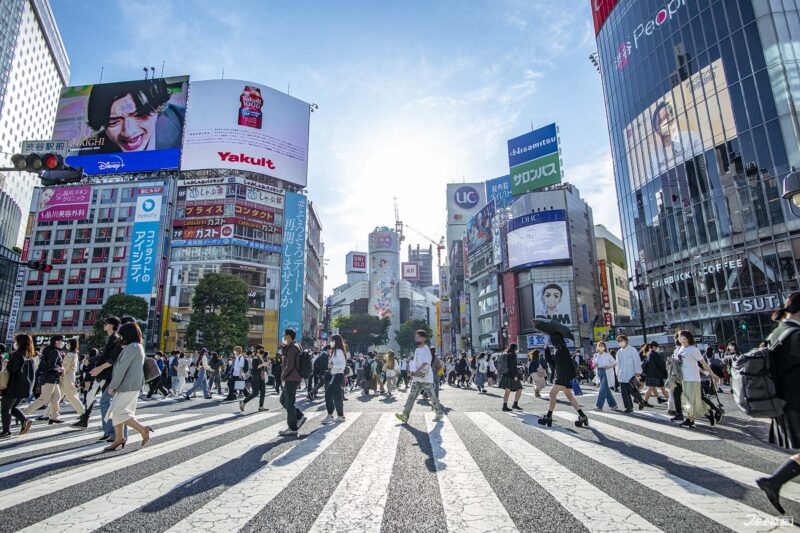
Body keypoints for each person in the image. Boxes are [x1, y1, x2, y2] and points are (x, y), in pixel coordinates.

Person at [756, 292, 800, 514]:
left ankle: (774, 482)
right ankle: (774, 481)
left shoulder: (777, 332)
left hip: (784, 402)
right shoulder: (795, 333)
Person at [81, 77, 185, 154]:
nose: (128, 132)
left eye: (139, 115)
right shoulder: (89, 152)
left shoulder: (185, 124)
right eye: (114, 122)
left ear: (158, 108)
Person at [104, 322, 153, 451]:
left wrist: (113, 386)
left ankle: (143, 429)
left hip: (127, 385)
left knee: (121, 412)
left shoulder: (132, 347)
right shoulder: (137, 346)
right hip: (131, 385)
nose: (120, 337)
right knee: (118, 412)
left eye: (122, 334)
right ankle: (119, 438)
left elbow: (122, 368)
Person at [73, 317, 122, 436]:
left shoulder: (114, 338)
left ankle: (111, 429)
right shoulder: (112, 338)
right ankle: (86, 420)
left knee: (106, 401)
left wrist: (92, 362)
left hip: (107, 374)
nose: (104, 325)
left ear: (111, 325)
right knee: (92, 396)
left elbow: (109, 359)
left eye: (105, 323)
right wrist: (91, 361)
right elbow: (105, 356)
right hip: (103, 373)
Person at [537, 332, 588, 428]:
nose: (552, 341)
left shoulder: (562, 349)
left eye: (553, 340)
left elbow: (564, 363)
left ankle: (548, 416)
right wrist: (546, 350)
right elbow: (553, 362)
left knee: (552, 394)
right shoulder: (559, 349)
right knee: (570, 397)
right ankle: (582, 416)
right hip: (563, 376)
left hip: (562, 376)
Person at [672, 331, 720, 428]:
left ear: (687, 338)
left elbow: (703, 363)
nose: (679, 337)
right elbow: (681, 364)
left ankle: (690, 420)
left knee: (691, 400)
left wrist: (712, 374)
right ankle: (710, 412)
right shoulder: (680, 349)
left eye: (681, 336)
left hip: (693, 378)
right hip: (684, 378)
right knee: (692, 400)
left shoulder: (693, 349)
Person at [396, 330, 444, 424]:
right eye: (416, 337)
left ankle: (439, 413)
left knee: (432, 396)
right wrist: (413, 371)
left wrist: (417, 371)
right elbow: (415, 362)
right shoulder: (417, 350)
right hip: (417, 377)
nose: (416, 338)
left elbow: (426, 363)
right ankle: (405, 415)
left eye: (418, 337)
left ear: (424, 338)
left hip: (425, 377)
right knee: (412, 396)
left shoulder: (426, 349)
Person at [23, 335, 65, 424]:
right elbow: (51, 366)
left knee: (56, 397)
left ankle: (54, 416)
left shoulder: (49, 350)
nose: (63, 343)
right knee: (44, 399)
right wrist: (60, 368)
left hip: (51, 378)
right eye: (62, 341)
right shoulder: (55, 351)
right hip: (50, 378)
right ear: (57, 342)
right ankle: (23, 413)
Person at [0, 334, 35, 438]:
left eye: (16, 341)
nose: (15, 343)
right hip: (25, 387)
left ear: (19, 343)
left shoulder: (17, 354)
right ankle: (24, 420)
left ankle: (6, 431)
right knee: (13, 407)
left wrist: (5, 365)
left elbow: (12, 369)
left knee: (5, 409)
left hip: (14, 386)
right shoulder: (30, 357)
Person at [278, 329, 306, 436]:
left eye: (284, 335)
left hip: (291, 378)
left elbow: (289, 365)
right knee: (283, 400)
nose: (283, 337)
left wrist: (282, 375)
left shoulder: (292, 348)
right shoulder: (295, 346)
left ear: (289, 336)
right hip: (293, 377)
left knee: (289, 403)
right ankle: (298, 415)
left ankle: (293, 428)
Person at [322, 335, 347, 425]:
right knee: (337, 395)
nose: (330, 342)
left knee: (328, 394)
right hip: (335, 374)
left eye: (332, 340)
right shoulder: (334, 351)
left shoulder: (338, 351)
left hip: (338, 375)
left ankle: (330, 415)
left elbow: (342, 365)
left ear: (336, 341)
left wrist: (332, 366)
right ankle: (340, 416)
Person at [616, 335, 645, 413]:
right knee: (624, 393)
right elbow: (618, 364)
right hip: (622, 375)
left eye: (621, 340)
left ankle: (641, 401)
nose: (620, 342)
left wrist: (638, 372)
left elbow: (637, 361)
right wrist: (617, 373)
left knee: (633, 390)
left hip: (631, 374)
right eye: (618, 341)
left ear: (626, 341)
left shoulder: (632, 350)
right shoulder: (619, 352)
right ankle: (628, 407)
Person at [60, 339, 85, 418]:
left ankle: (83, 412)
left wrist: (61, 372)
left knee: (71, 395)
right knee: (59, 395)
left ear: (71, 344)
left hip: (67, 375)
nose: (66, 344)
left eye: (68, 343)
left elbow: (66, 366)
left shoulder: (70, 354)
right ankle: (47, 413)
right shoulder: (74, 353)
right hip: (69, 375)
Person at [592, 341, 619, 412]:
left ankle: (599, 406)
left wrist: (609, 366)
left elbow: (615, 363)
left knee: (602, 389)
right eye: (600, 345)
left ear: (604, 347)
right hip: (599, 372)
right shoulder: (596, 355)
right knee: (606, 390)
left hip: (606, 372)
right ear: (597, 347)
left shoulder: (607, 355)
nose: (601, 347)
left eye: (602, 346)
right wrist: (595, 365)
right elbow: (594, 365)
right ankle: (613, 405)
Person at [240, 348, 268, 413]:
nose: (262, 351)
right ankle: (243, 402)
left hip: (261, 378)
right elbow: (254, 367)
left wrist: (265, 365)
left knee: (263, 392)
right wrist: (263, 364)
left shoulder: (260, 358)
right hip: (256, 378)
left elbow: (261, 367)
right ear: (258, 350)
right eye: (261, 349)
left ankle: (261, 406)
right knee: (255, 393)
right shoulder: (255, 358)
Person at [500, 344, 523, 412]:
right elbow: (512, 366)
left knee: (507, 391)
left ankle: (504, 406)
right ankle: (515, 404)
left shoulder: (507, 354)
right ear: (515, 348)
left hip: (505, 375)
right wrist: (515, 375)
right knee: (519, 389)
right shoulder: (513, 355)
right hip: (511, 375)